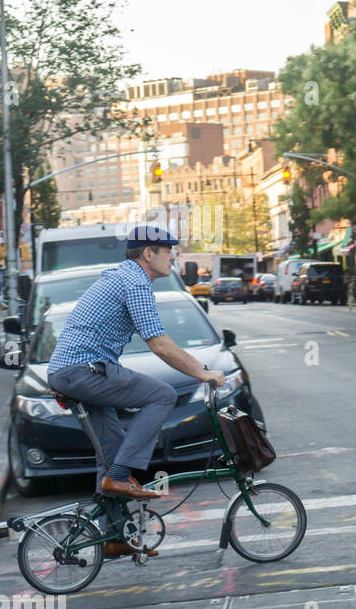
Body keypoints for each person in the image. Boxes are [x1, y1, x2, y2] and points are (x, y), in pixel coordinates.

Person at [46, 225, 226, 558]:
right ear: (148, 253)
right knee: (162, 396)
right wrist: (203, 373)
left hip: (71, 372)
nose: (173, 256)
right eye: (168, 250)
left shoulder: (124, 276)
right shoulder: (135, 282)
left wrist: (198, 369)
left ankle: (114, 537)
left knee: (112, 451)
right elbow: (158, 343)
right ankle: (118, 478)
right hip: (83, 370)